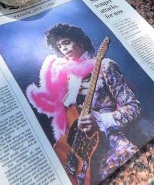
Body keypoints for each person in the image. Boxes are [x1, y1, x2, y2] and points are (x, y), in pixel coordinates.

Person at [26, 24, 141, 184]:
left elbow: (133, 107)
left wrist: (101, 120)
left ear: (81, 42)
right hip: (77, 156)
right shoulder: (65, 79)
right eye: (59, 46)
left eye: (66, 42)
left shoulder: (104, 66)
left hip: (109, 147)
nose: (63, 48)